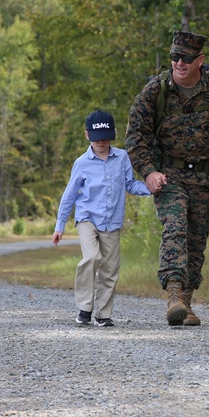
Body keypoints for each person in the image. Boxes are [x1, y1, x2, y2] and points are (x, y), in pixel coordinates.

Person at [125, 30, 209, 326]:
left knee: (197, 238)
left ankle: (186, 302)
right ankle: (172, 294)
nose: (179, 63)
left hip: (206, 176)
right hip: (168, 174)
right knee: (176, 225)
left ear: (200, 60)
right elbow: (135, 137)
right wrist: (148, 172)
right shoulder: (156, 91)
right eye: (174, 57)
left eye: (185, 58)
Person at [53, 110, 151, 327]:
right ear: (87, 136)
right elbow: (69, 196)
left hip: (112, 222)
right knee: (92, 258)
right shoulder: (81, 163)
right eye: (97, 138)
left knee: (110, 268)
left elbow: (130, 184)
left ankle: (103, 314)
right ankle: (84, 308)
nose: (101, 142)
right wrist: (60, 226)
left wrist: (151, 188)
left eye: (105, 137)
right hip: (87, 218)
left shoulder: (122, 157)